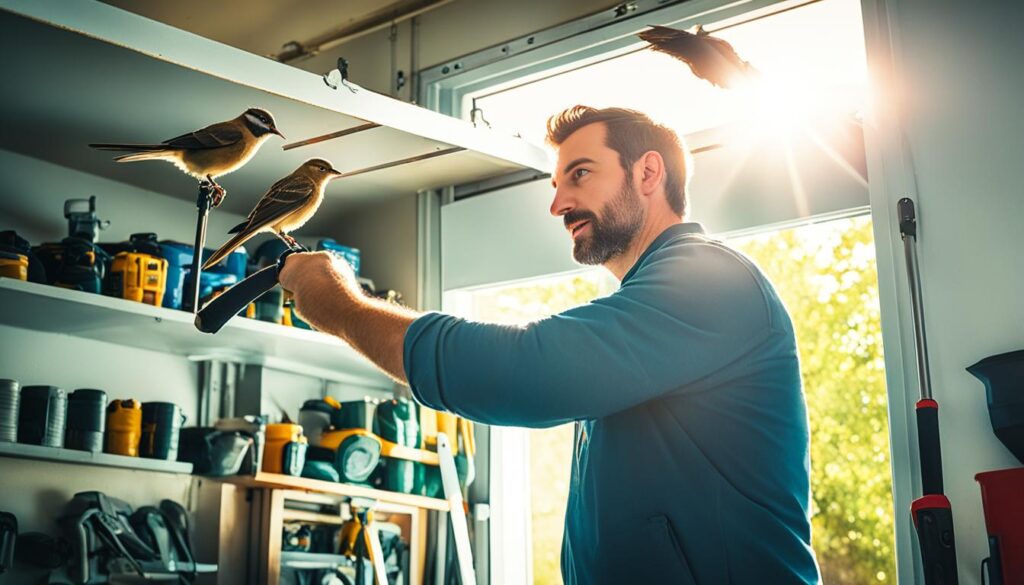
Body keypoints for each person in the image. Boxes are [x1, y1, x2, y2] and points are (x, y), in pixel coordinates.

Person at [279, 105, 821, 584]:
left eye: (579, 174)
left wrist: (342, 308)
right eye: (556, 184)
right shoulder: (649, 311)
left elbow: (525, 373)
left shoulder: (709, 280)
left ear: (649, 172)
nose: (558, 204)